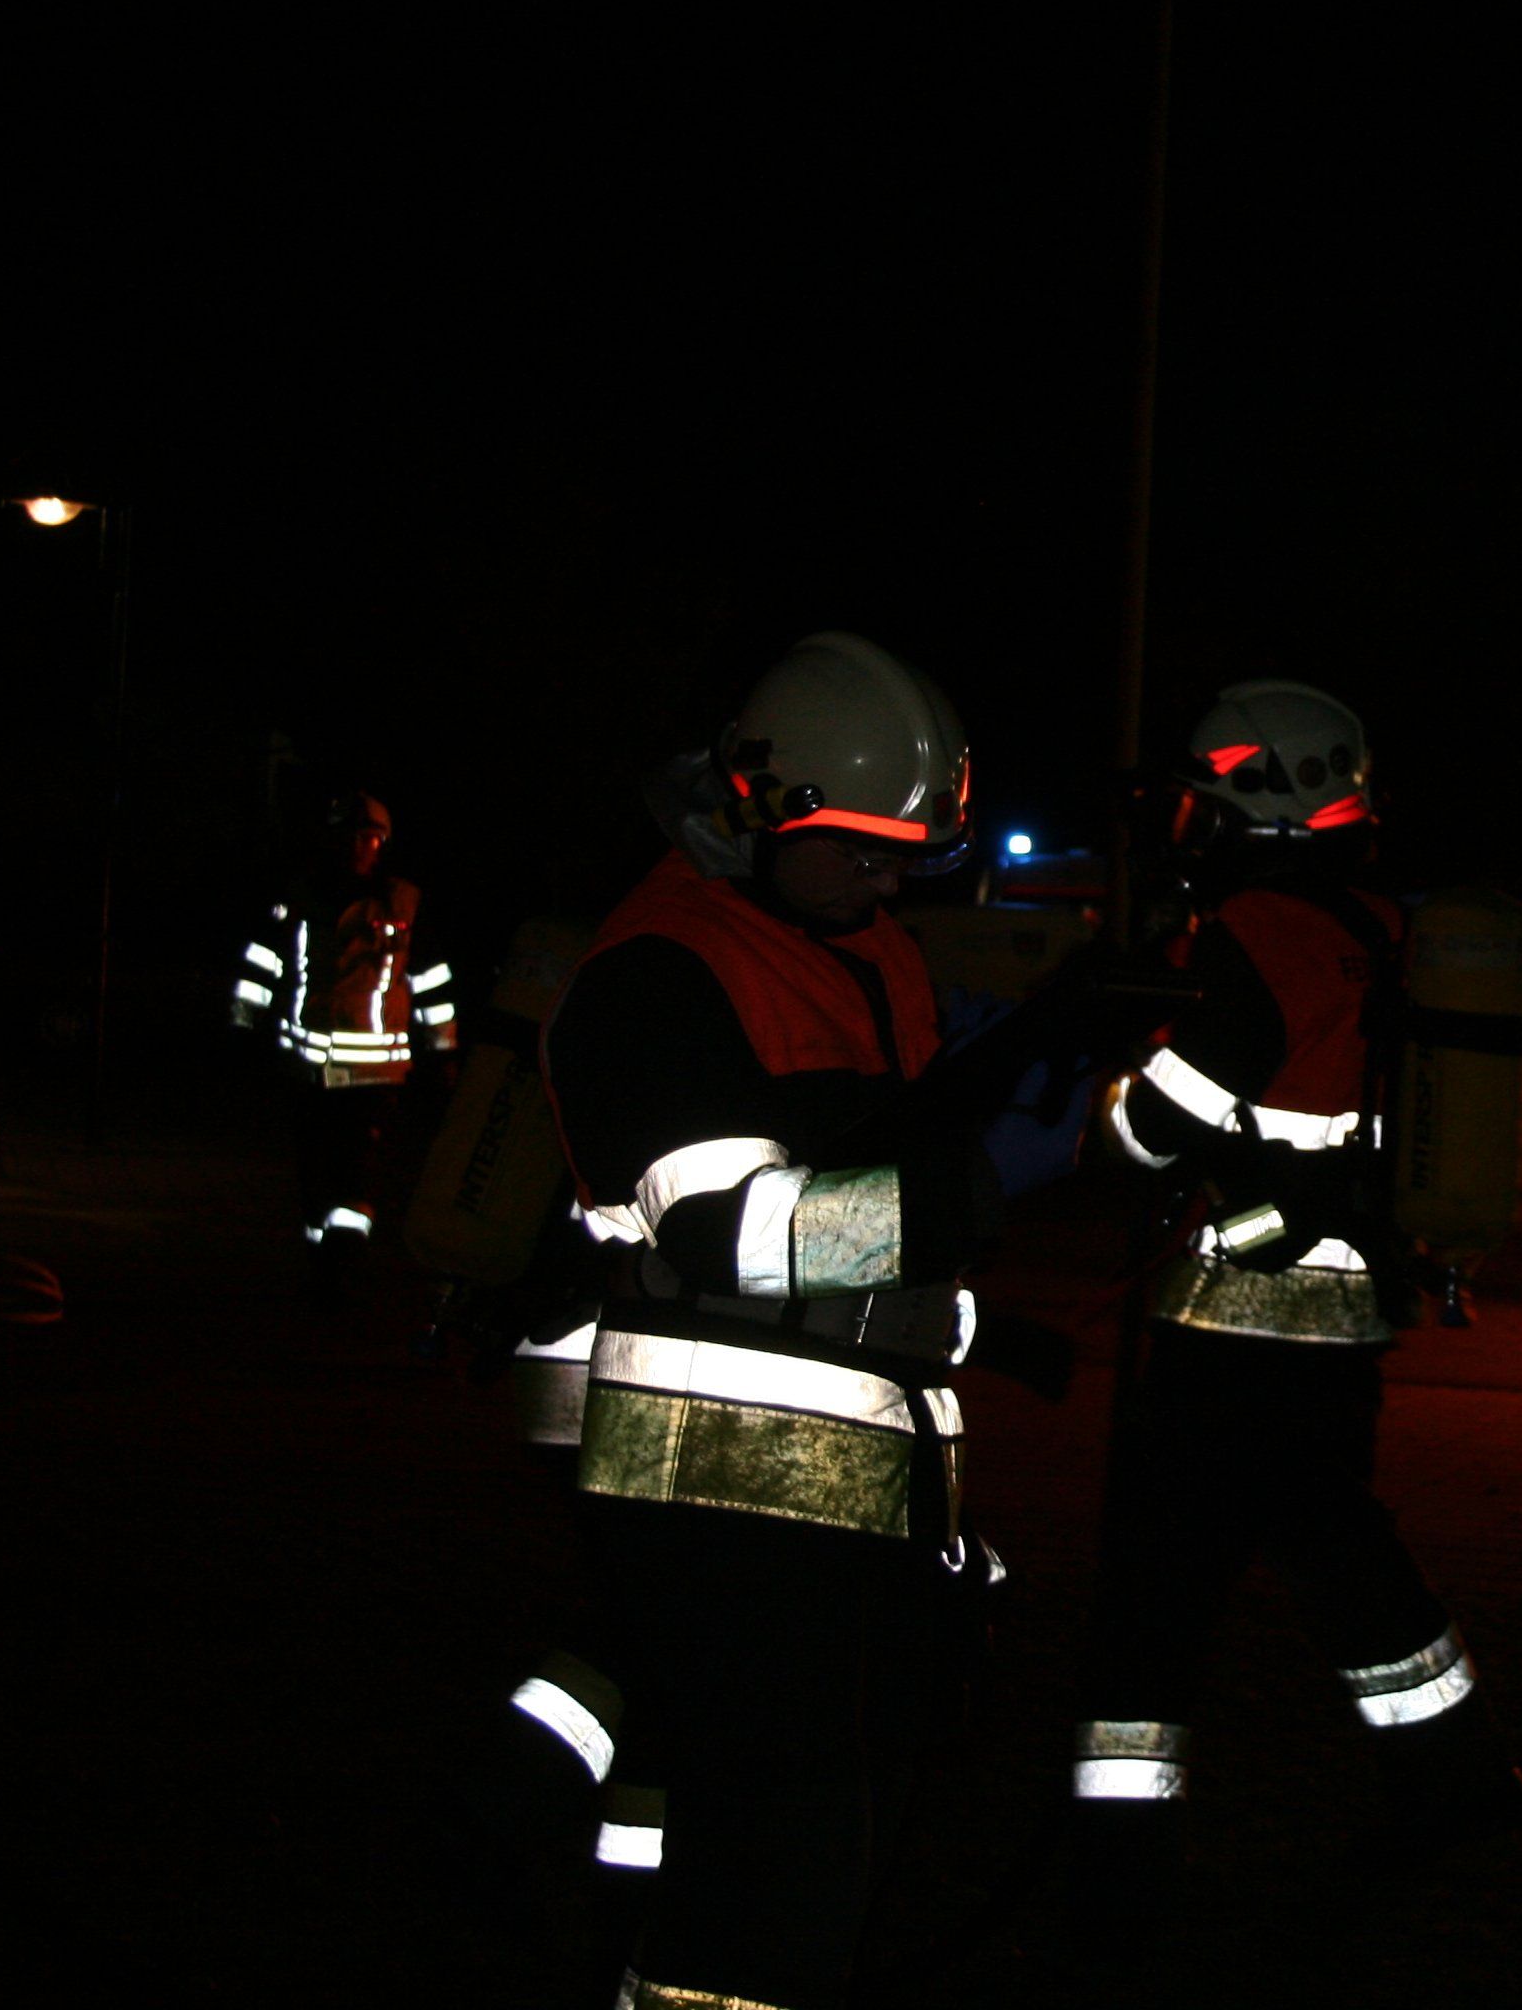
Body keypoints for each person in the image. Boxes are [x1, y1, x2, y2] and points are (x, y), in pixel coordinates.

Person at [545, 630, 1073, 2009]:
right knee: (766, 1884)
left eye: (911, 858)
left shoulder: (860, 945)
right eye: (864, 852)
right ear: (761, 803)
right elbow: (733, 1237)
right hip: (714, 1495)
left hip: (849, 1501)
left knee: (812, 1865)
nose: (890, 882)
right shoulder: (660, 973)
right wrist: (968, 1188)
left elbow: (867, 1172)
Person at [1067, 681, 1522, 1930]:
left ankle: (1118, 1862)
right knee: (1345, 1560)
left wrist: (1108, 1095)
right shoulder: (1380, 925)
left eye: (1201, 802)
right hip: (1341, 1322)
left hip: (1231, 1325)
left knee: (1156, 1595)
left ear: (1250, 804)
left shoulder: (1252, 934)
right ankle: (1457, 1776)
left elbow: (1156, 1131)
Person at [230, 790, 454, 1298]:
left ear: (382, 843)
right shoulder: (298, 899)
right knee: (315, 1170)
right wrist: (243, 1027)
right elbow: (260, 968)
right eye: (349, 837)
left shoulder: (405, 903)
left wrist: (444, 1051)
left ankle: (343, 1261)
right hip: (306, 1070)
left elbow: (431, 982)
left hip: (375, 1076)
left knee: (358, 1173)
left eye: (368, 837)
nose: (357, 846)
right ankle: (323, 1255)